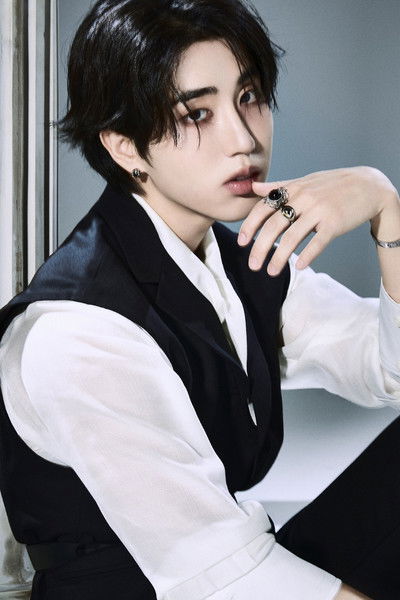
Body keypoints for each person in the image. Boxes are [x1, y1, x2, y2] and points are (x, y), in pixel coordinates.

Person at [0, 0, 399, 598]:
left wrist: (385, 207)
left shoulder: (238, 263)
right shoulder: (78, 328)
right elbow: (211, 570)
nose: (244, 139)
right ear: (125, 145)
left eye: (249, 97)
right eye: (197, 113)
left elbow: (390, 368)